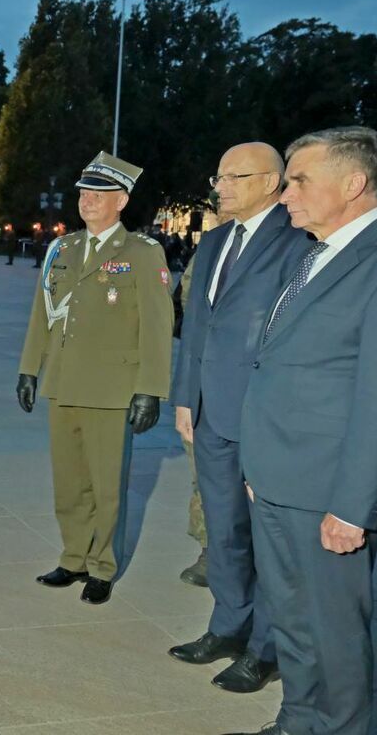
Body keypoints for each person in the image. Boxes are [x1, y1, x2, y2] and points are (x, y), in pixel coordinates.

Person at [226, 127, 377, 735]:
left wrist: (353, 506)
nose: (286, 192)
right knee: (292, 622)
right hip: (275, 479)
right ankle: (297, 721)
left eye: (298, 180)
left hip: (330, 494)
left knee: (337, 636)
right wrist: (257, 470)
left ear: (353, 183)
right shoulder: (312, 252)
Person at [167, 143, 309, 695]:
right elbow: (196, 324)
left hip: (260, 414)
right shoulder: (218, 238)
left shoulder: (298, 239)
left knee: (268, 540)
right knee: (223, 532)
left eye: (234, 176)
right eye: (218, 175)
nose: (220, 186)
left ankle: (265, 649)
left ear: (272, 181)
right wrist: (185, 397)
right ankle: (227, 626)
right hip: (209, 411)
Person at [16, 152, 172, 605]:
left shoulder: (142, 253)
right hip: (63, 384)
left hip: (112, 390)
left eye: (98, 195)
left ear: (120, 201)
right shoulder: (62, 250)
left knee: (106, 485)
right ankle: (72, 557)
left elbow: (158, 327)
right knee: (68, 481)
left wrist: (151, 389)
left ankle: (102, 566)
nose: (86, 201)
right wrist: (29, 368)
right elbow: (41, 316)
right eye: (83, 193)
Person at [174, 248, 209, 589]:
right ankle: (210, 549)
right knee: (205, 473)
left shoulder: (292, 241)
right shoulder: (212, 247)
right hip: (207, 378)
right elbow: (189, 309)